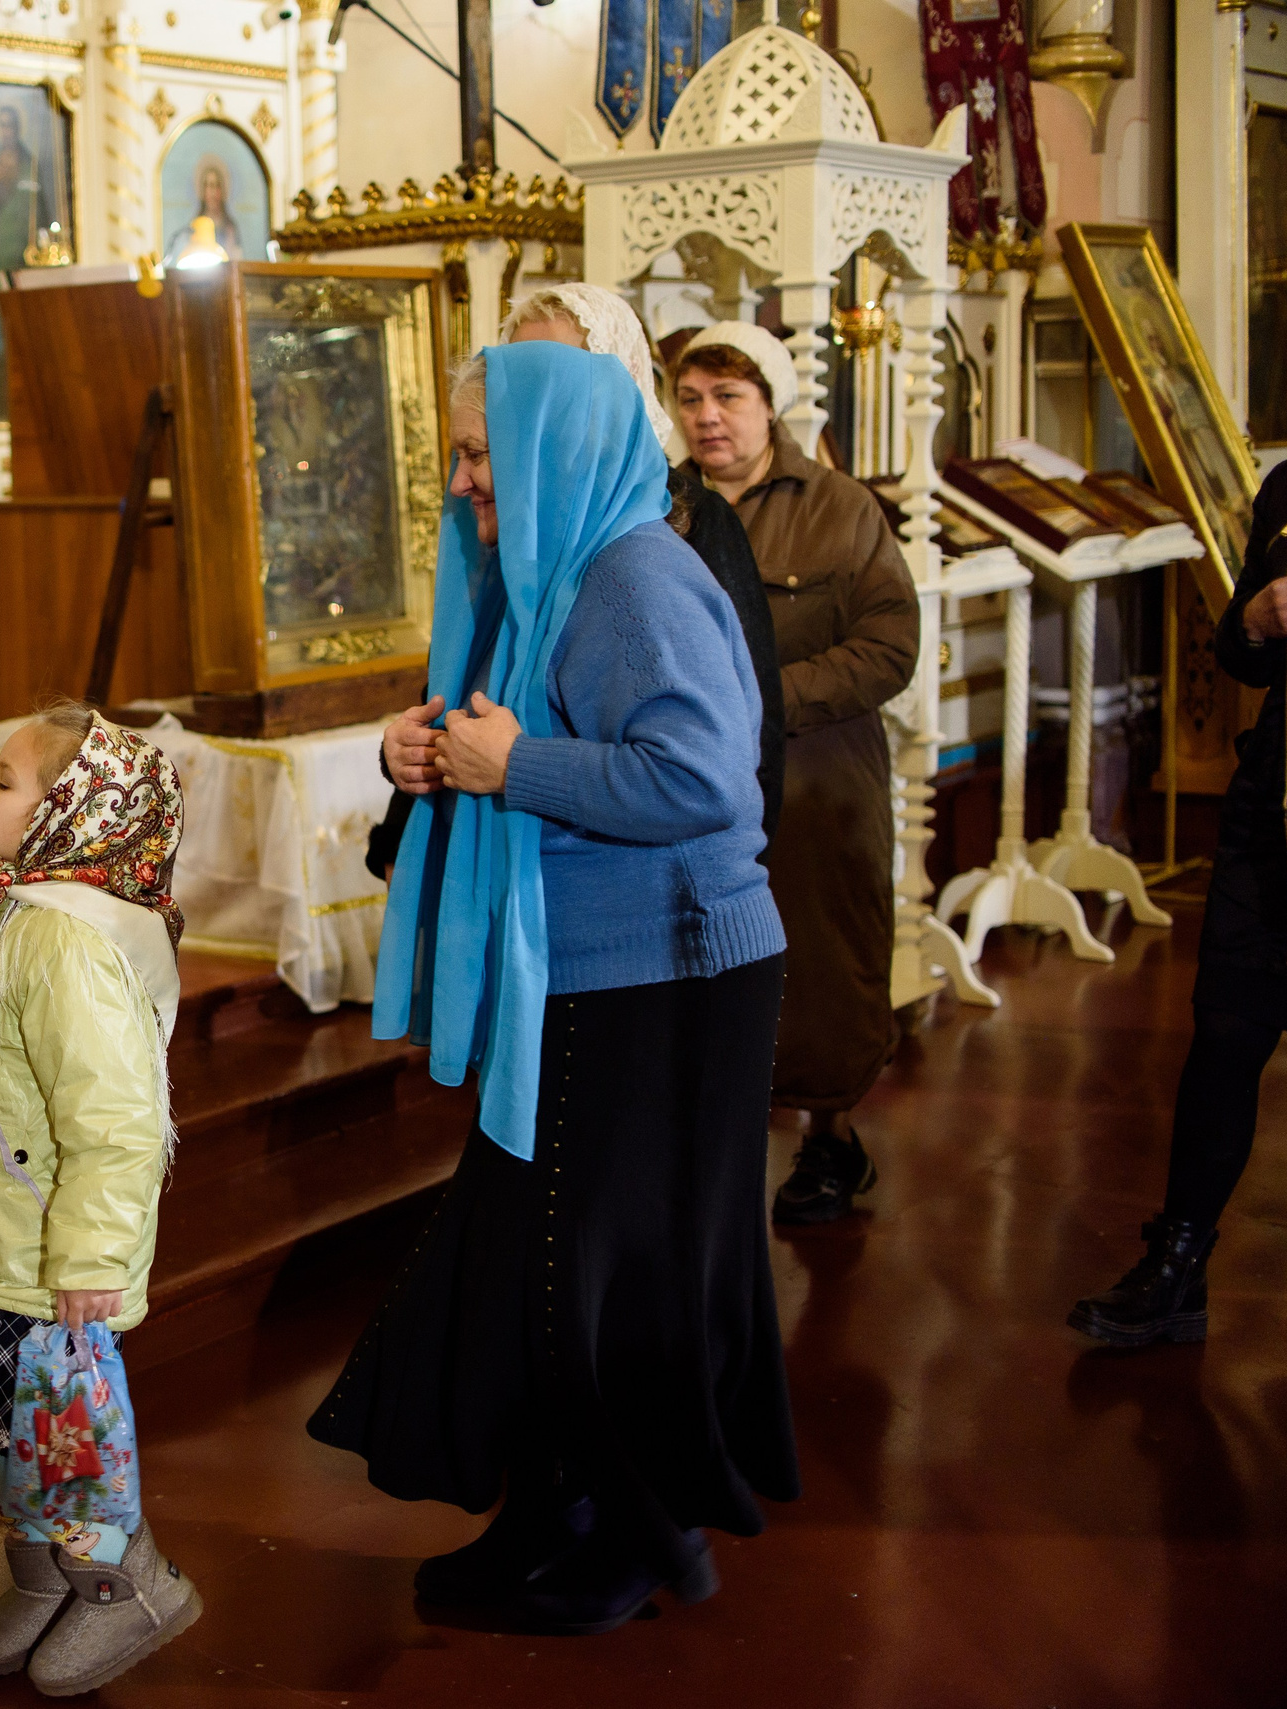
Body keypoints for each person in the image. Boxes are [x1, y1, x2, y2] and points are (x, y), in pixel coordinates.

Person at [310, 340, 797, 1634]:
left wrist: (514, 767)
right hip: (592, 967)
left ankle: (636, 1539)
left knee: (609, 1273)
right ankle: (555, 1509)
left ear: (552, 453)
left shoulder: (635, 575)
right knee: (545, 1260)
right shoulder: (549, 570)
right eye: (463, 454)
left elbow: (705, 783)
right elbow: (500, 731)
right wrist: (427, 752)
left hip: (675, 973)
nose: (466, 482)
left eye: (481, 455)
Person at [1071, 247, 1287, 1355]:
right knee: (1223, 1037)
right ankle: (1176, 1261)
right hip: (1271, 816)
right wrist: (1256, 619)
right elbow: (1238, 652)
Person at [0, 705, 200, 1694]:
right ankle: (44, 1578)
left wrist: (89, 1261)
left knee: (67, 1445)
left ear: (74, 810)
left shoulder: (69, 942)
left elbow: (114, 1119)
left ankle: (125, 1583)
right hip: (3, 1239)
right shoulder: (14, 908)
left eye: (6, 777)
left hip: (53, 1257)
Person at [367, 285, 784, 883]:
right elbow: (469, 695)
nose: (532, 394)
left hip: (653, 893)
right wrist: (405, 770)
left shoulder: (669, 523)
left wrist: (732, 874)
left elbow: (730, 744)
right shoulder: (510, 526)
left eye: (559, 373)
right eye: (520, 369)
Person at [675, 320, 919, 1226]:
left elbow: (891, 646)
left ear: (772, 406)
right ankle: (711, 1137)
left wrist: (765, 698)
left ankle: (831, 1138)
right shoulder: (665, 510)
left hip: (819, 776)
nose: (708, 418)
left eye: (728, 398)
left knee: (821, 959)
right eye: (692, 399)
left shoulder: (840, 507)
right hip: (695, 774)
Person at [161, 156, 245, 265]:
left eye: (216, 186)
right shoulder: (193, 228)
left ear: (222, 189)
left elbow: (236, 262)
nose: (212, 192)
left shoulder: (230, 228)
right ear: (202, 190)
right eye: (208, 186)